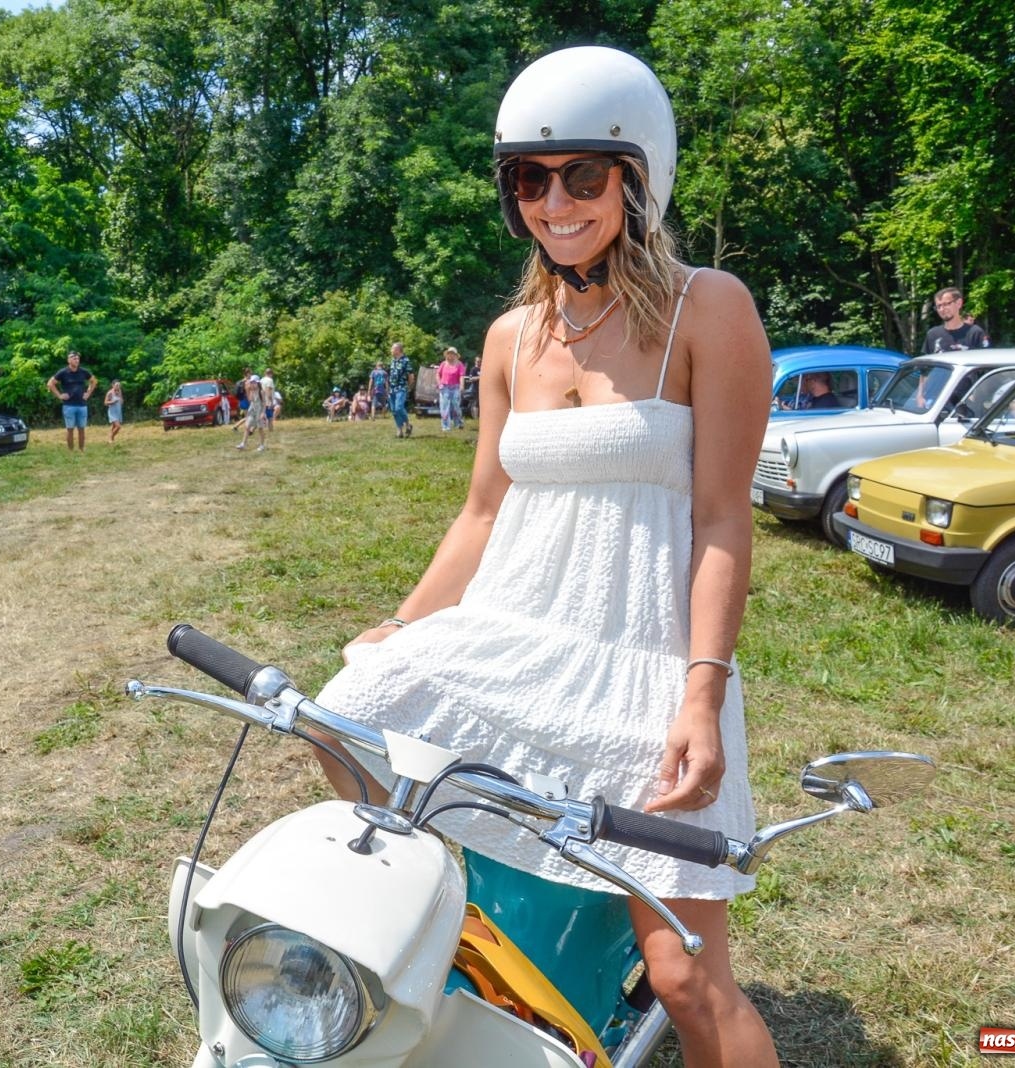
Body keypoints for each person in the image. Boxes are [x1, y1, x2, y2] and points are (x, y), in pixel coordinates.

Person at [312, 46, 777, 1068]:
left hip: (643, 666)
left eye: (580, 174)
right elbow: (482, 511)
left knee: (688, 981)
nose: (553, 201)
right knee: (339, 710)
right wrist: (401, 622)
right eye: (530, 178)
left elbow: (719, 522)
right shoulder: (510, 336)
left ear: (635, 179)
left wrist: (700, 695)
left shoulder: (709, 309)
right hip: (517, 641)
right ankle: (473, 933)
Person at [46, 351, 96, 452]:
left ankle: (82, 449)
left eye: (77, 358)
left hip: (82, 405)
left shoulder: (83, 371)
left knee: (82, 429)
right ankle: (71, 451)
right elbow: (50, 384)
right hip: (69, 406)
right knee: (70, 429)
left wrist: (88, 393)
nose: (76, 360)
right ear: (68, 360)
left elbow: (94, 381)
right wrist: (59, 395)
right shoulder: (63, 372)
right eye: (74, 358)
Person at [923, 288, 988, 353]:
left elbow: (986, 360)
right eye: (939, 306)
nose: (942, 309)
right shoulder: (932, 334)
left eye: (946, 304)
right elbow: (926, 362)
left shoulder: (975, 333)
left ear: (959, 303)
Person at [386, 342, 414, 438]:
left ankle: (408, 424)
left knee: (399, 408)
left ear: (398, 350)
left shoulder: (406, 361)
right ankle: (399, 430)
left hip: (401, 388)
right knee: (394, 410)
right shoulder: (393, 361)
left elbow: (411, 375)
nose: (391, 350)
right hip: (392, 389)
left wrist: (409, 387)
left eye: (392, 349)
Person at [437, 346, 468, 430]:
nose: (450, 355)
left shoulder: (459, 364)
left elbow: (461, 376)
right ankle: (445, 426)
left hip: (455, 387)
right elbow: (438, 374)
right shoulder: (443, 364)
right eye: (449, 353)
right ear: (447, 355)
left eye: (452, 354)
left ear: (455, 355)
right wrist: (439, 384)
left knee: (456, 406)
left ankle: (458, 423)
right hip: (445, 387)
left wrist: (462, 386)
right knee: (444, 407)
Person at [235, 369, 267, 452]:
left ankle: (262, 445)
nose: (252, 384)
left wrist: (263, 413)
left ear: (258, 383)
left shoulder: (261, 392)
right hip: (252, 409)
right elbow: (250, 400)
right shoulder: (252, 390)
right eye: (251, 382)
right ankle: (243, 444)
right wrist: (247, 390)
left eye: (254, 382)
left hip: (259, 410)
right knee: (247, 426)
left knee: (260, 428)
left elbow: (264, 403)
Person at [104, 380, 123, 445]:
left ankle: (111, 440)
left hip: (118, 411)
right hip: (112, 412)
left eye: (119, 385)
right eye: (117, 385)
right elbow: (105, 403)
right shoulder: (110, 393)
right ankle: (111, 437)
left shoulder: (119, 392)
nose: (118, 387)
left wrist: (120, 398)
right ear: (113, 385)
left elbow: (121, 401)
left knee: (113, 426)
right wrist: (113, 402)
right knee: (118, 427)